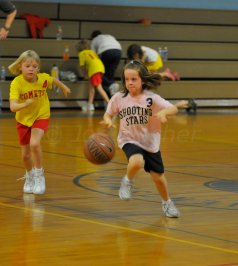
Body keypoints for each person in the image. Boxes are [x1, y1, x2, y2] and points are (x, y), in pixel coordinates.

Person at [100, 60, 188, 218]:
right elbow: (109, 113)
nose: (130, 83)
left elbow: (172, 108)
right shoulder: (119, 98)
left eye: (134, 79)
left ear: (143, 80)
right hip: (129, 139)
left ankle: (167, 202)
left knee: (158, 178)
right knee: (136, 162)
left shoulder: (151, 98)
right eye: (127, 79)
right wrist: (107, 119)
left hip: (150, 143)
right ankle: (127, 181)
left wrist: (163, 113)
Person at [8, 50, 71, 194]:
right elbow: (13, 107)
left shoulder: (42, 79)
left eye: (34, 66)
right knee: (25, 155)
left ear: (38, 68)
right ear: (20, 67)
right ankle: (29, 176)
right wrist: (25, 104)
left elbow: (52, 80)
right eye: (28, 66)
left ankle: (39, 175)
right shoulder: (17, 83)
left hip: (41, 115)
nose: (31, 69)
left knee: (34, 144)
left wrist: (64, 87)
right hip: (23, 119)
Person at [76, 39, 110, 111]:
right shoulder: (92, 52)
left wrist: (84, 75)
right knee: (91, 88)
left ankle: (110, 104)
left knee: (99, 88)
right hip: (100, 68)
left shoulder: (81, 54)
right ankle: (90, 105)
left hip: (94, 70)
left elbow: (82, 67)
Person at [90, 30, 122, 96]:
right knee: (110, 74)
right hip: (118, 51)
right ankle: (111, 89)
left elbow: (93, 55)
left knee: (100, 73)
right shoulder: (109, 36)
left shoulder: (94, 40)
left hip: (106, 51)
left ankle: (111, 85)